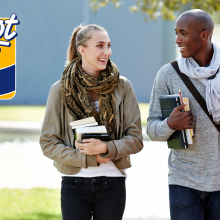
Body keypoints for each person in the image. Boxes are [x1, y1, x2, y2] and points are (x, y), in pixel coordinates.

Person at [40, 24, 143, 220]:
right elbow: (48, 143)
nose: (107, 52)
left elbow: (136, 139)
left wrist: (106, 147)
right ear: (82, 50)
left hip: (112, 184)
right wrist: (89, 158)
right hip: (74, 185)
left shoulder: (123, 86)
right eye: (100, 46)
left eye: (109, 46)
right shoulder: (60, 90)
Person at [147, 9, 220, 220]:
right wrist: (170, 124)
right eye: (176, 33)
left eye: (183, 33)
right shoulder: (168, 74)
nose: (177, 39)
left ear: (204, 35)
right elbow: (151, 127)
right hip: (183, 180)